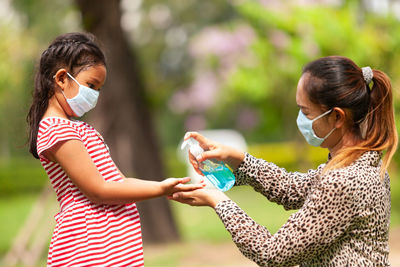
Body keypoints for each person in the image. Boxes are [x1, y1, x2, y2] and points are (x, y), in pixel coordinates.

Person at [170, 56, 398, 266]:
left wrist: (217, 200)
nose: (301, 120)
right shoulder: (362, 164)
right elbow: (292, 188)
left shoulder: (343, 180)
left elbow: (273, 253)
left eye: (306, 112)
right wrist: (237, 159)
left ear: (337, 116)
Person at [26, 32, 204, 267]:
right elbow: (98, 190)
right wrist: (160, 189)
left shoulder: (77, 128)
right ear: (61, 78)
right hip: (90, 251)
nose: (95, 95)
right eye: (91, 85)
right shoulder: (57, 129)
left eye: (98, 88)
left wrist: (164, 186)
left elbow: (119, 182)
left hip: (109, 251)